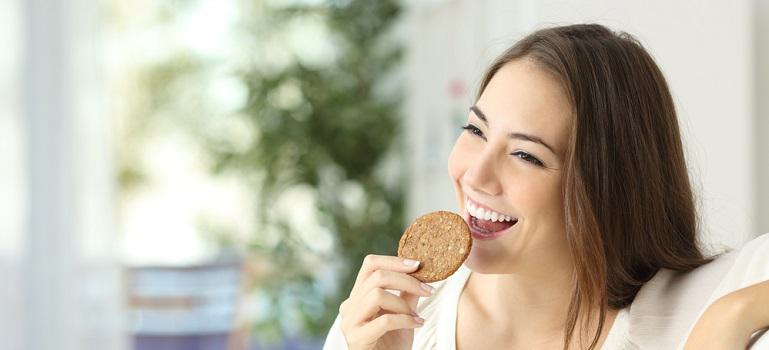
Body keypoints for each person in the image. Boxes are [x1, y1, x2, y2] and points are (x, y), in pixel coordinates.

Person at [322, 23, 769, 350]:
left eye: (526, 156)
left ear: (606, 189)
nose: (475, 175)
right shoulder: (386, 327)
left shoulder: (715, 301)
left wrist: (727, 320)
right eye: (475, 130)